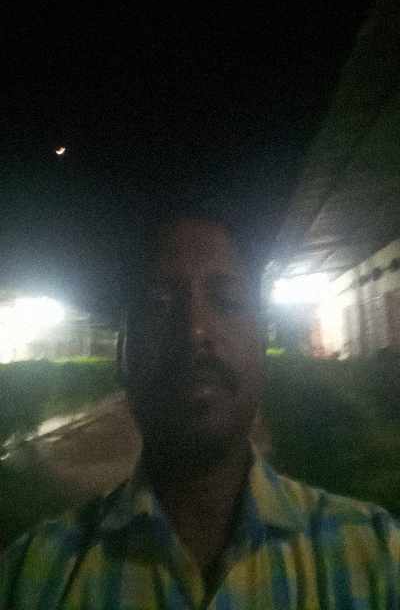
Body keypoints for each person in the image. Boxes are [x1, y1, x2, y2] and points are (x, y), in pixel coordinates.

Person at [1, 213, 400, 609]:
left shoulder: (377, 556)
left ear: (262, 349)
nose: (194, 331)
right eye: (158, 304)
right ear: (122, 355)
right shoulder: (32, 577)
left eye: (226, 302)